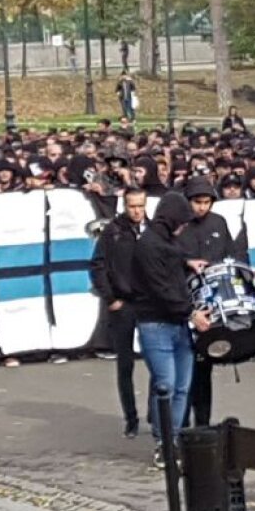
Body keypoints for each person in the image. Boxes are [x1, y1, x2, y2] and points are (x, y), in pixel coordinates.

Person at [131, 191, 211, 468]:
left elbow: (170, 261)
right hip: (156, 323)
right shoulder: (149, 245)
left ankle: (172, 438)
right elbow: (160, 287)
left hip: (177, 323)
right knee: (166, 385)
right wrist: (191, 313)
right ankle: (164, 442)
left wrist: (186, 262)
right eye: (183, 221)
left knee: (181, 387)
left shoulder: (165, 240)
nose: (185, 226)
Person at [179, 177, 245, 427]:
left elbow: (230, 255)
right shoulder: (180, 226)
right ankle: (180, 427)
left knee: (204, 369)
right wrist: (187, 262)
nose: (202, 207)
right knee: (185, 371)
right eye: (197, 202)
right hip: (185, 301)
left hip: (212, 303)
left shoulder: (219, 222)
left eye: (207, 202)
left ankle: (203, 425)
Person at [91, 188, 147, 438]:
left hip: (148, 305)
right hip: (122, 305)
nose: (137, 211)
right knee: (125, 365)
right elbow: (97, 265)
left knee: (158, 363)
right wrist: (111, 299)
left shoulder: (153, 230)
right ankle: (131, 419)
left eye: (141, 206)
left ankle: (157, 414)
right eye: (133, 206)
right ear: (125, 206)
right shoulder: (112, 231)